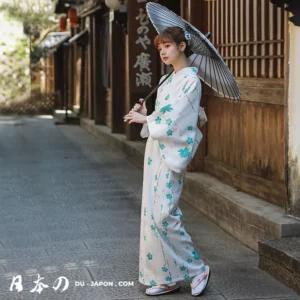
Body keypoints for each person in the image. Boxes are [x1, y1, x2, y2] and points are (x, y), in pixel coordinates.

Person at [124, 26, 210, 297]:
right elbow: (164, 114)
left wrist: (147, 120)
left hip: (171, 152)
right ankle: (167, 276)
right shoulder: (168, 80)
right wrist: (149, 113)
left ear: (182, 46)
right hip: (156, 151)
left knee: (164, 214)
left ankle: (197, 268)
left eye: (168, 46)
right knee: (152, 214)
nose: (162, 51)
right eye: (160, 47)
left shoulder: (190, 81)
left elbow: (178, 118)